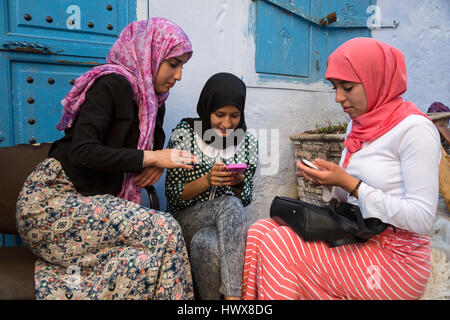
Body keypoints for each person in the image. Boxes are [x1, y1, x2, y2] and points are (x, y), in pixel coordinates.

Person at [242, 38, 441, 300]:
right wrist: (330, 183)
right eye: (335, 87)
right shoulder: (358, 124)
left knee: (278, 245)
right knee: (260, 232)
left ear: (375, 79)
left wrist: (351, 184)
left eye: (347, 87)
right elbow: (350, 200)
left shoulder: (415, 130)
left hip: (396, 259)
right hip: (359, 235)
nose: (338, 98)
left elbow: (423, 219)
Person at [16, 18, 196, 300]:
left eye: (182, 65)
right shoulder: (111, 84)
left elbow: (150, 149)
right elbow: (82, 152)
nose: (179, 75)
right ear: (149, 52)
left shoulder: (153, 103)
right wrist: (153, 157)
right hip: (53, 202)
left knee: (142, 264)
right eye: (173, 63)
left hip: (96, 207)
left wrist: (154, 165)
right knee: (167, 227)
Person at [165, 72, 258, 300]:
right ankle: (234, 300)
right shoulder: (185, 134)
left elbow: (245, 197)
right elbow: (174, 194)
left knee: (206, 242)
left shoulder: (246, 142)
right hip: (185, 219)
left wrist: (238, 183)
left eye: (234, 116)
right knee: (229, 203)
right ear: (207, 108)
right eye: (219, 115)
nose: (227, 124)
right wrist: (207, 181)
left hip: (224, 230)